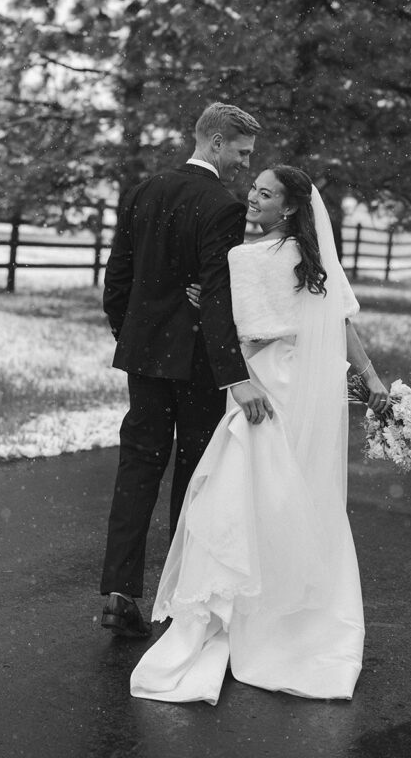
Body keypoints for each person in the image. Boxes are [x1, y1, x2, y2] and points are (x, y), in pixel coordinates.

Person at [130, 165, 389, 703]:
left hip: (261, 386)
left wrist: (212, 305)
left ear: (288, 207)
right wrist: (369, 376)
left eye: (265, 194)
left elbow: (239, 332)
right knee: (293, 495)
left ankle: (242, 613)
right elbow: (339, 324)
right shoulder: (312, 260)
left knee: (240, 497)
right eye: (253, 189)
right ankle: (289, 613)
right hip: (302, 387)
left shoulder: (245, 260)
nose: (252, 198)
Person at [100, 103, 274, 639]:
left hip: (145, 357)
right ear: (216, 143)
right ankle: (179, 600)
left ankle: (119, 593)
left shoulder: (143, 191)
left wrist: (131, 335)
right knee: (195, 475)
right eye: (242, 153)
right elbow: (216, 296)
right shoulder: (220, 206)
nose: (246, 164)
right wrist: (233, 374)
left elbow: (117, 279)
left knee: (137, 469)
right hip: (197, 362)